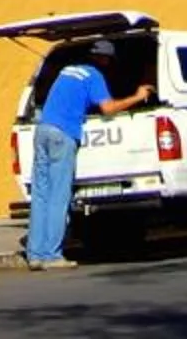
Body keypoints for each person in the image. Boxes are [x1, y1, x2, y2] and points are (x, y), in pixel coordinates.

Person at [24, 39, 153, 270]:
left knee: (41, 195)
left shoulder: (66, 70)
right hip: (63, 134)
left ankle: (35, 254)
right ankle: (52, 256)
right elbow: (108, 108)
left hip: (42, 131)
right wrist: (137, 95)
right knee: (58, 196)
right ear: (105, 60)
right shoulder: (93, 75)